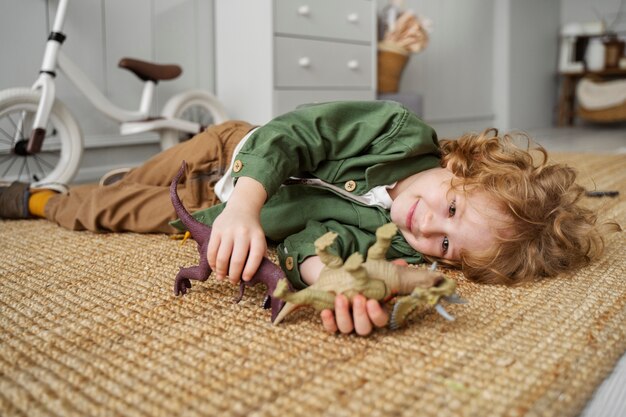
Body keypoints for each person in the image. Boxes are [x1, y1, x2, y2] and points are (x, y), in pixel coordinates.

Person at [0, 101, 618, 335]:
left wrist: (328, 277)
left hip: (210, 213)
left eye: (449, 246)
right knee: (144, 174)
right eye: (451, 209)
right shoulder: (398, 131)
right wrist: (244, 201)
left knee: (110, 211)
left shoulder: (405, 254)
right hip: (229, 154)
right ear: (461, 164)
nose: (429, 228)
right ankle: (113, 177)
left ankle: (39, 200)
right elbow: (297, 133)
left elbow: (307, 242)